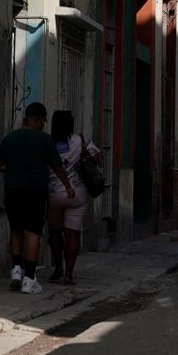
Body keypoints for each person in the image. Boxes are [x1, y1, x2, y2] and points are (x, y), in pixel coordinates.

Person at [0, 102, 70, 294]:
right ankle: (29, 278)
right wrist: (68, 186)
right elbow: (57, 167)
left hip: (13, 190)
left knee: (16, 229)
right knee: (33, 232)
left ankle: (16, 270)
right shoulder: (45, 140)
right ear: (40, 120)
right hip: (35, 191)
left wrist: (8, 168)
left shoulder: (11, 138)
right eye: (44, 120)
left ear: (25, 118)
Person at [45, 110, 100, 286]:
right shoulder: (80, 140)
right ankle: (69, 274)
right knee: (72, 233)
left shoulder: (47, 142)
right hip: (78, 194)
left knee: (54, 232)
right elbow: (97, 158)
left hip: (54, 194)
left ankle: (58, 267)